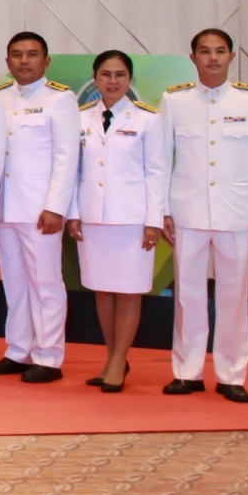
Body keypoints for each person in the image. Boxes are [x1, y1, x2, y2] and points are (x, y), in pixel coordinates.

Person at [159, 28, 248, 404]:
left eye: (220, 51)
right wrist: (162, 211)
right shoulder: (174, 100)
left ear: (231, 56)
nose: (213, 57)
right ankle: (187, 371)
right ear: (192, 57)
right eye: (205, 51)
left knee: (233, 296)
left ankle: (231, 374)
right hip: (188, 212)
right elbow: (161, 161)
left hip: (238, 214)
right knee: (187, 296)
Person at [0, 31, 80, 383]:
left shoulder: (59, 99)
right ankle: (19, 350)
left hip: (39, 210)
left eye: (32, 54)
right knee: (15, 283)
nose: (24, 61)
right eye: (17, 54)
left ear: (46, 61)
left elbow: (66, 158)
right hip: (3, 206)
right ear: (7, 61)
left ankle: (49, 356)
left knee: (46, 283)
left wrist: (56, 207)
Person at [65, 50, 167, 393]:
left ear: (129, 79)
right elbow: (73, 171)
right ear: (95, 79)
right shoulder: (80, 118)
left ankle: (118, 360)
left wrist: (153, 220)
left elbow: (156, 173)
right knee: (102, 291)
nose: (112, 81)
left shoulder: (148, 120)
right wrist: (73, 213)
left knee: (128, 292)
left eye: (120, 75)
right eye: (106, 75)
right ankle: (114, 359)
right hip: (92, 218)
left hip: (132, 221)